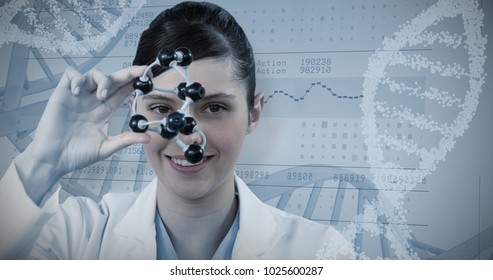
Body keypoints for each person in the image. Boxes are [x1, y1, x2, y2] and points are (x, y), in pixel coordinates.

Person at [0, 1, 355, 260]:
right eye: (161, 108)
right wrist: (42, 162)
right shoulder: (75, 239)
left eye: (214, 108)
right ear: (132, 109)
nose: (187, 135)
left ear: (253, 114)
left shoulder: (320, 254)